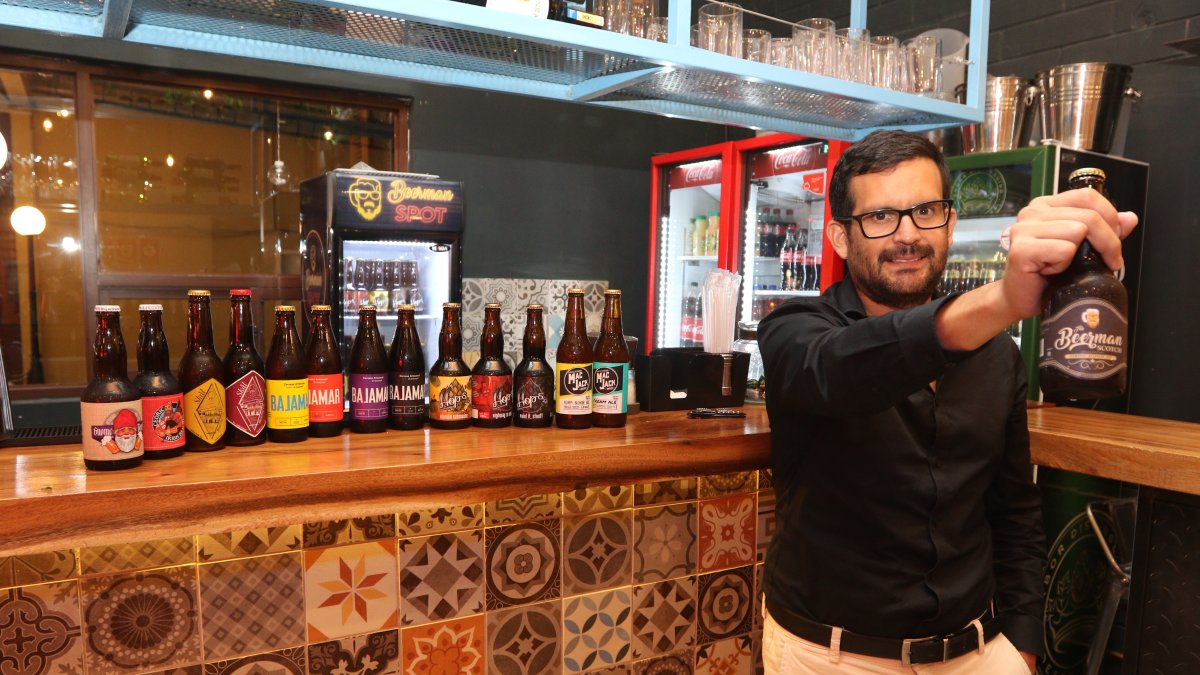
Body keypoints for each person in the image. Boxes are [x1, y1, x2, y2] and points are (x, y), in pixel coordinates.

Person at [757, 130, 1137, 674]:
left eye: (926, 211)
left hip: (977, 653)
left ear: (951, 221)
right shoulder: (797, 331)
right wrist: (1004, 299)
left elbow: (1013, 514)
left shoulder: (999, 358)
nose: (908, 234)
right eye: (881, 217)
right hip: (832, 657)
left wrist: (1023, 645)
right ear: (841, 238)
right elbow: (840, 368)